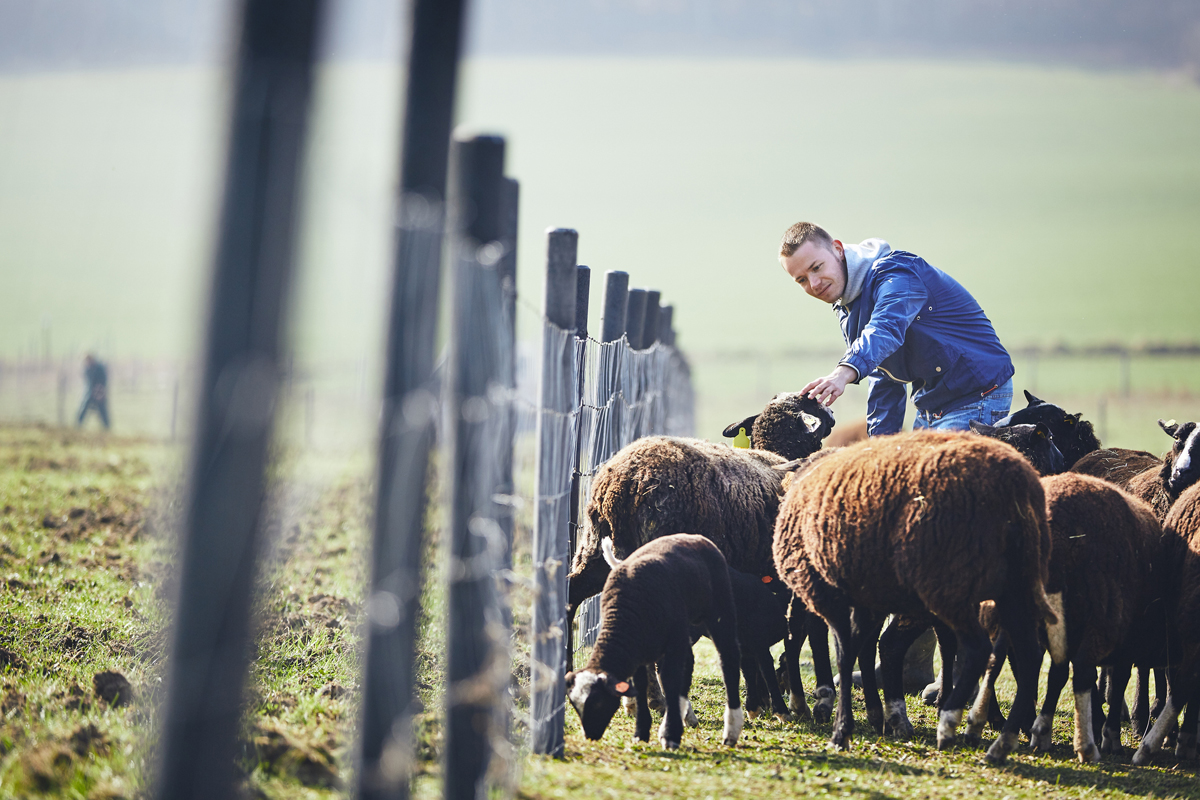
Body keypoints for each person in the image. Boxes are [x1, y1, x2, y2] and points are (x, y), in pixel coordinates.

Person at [779, 221, 1014, 698]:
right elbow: (887, 382)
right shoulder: (849, 308)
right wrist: (876, 457)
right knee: (901, 502)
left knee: (932, 513)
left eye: (817, 268)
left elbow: (885, 332)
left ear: (838, 251)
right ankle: (911, 666)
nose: (814, 284)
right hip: (936, 405)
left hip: (977, 396)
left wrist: (845, 372)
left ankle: (965, 665)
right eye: (801, 280)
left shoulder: (897, 274)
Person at [77, 353, 110, 430]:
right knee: (83, 409)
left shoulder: (99, 368)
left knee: (102, 411)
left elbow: (103, 381)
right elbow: (87, 382)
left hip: (99, 392)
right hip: (90, 393)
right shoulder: (87, 369)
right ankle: (78, 426)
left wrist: (100, 392)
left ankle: (107, 428)